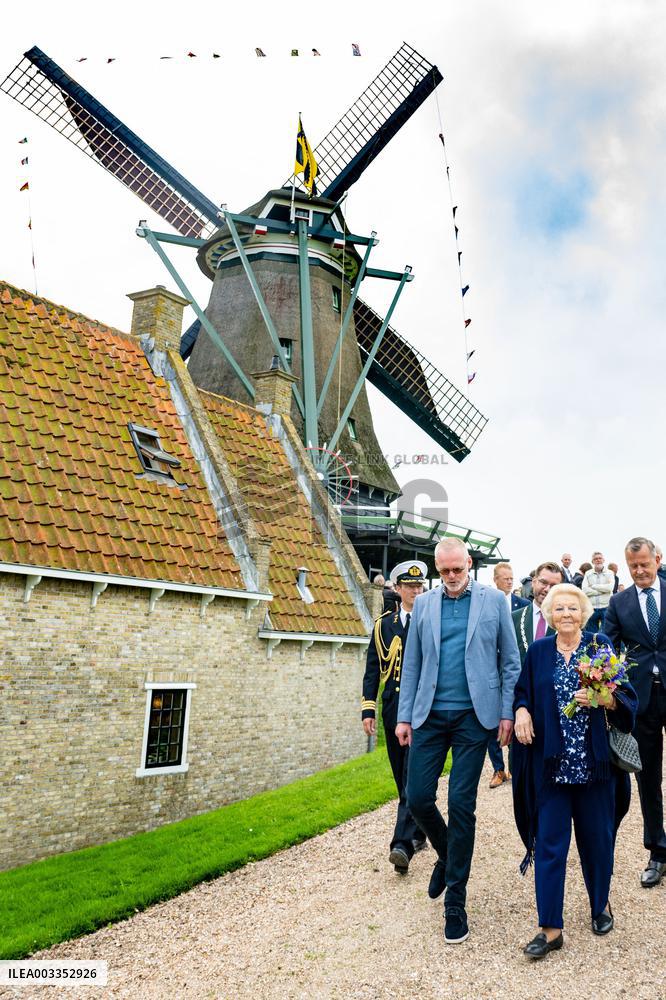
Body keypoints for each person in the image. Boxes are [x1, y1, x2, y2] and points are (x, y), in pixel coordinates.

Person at [396, 538, 520, 944]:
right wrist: (404, 716)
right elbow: (412, 663)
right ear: (437, 569)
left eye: (458, 569)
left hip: (474, 717)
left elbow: (509, 660)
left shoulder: (494, 602)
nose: (451, 577)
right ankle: (448, 854)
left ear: (470, 564)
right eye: (444, 571)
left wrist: (505, 711)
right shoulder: (425, 605)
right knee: (417, 798)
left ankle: (456, 901)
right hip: (429, 716)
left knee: (461, 806)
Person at [513, 584, 638, 958]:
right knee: (549, 845)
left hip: (594, 766)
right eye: (559, 608)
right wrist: (521, 711)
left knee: (596, 841)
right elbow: (522, 693)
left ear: (583, 613)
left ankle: (600, 904)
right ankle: (550, 928)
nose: (566, 614)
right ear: (549, 615)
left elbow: (628, 700)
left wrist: (605, 697)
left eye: (572, 608)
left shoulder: (599, 646)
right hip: (551, 766)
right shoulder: (538, 652)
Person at [605, 537, 666, 888]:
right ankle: (658, 850)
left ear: (657, 559)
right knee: (648, 777)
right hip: (641, 699)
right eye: (633, 566)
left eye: (644, 563)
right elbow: (608, 647)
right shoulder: (618, 602)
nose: (640, 571)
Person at [362, 561, 428, 874]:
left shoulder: (430, 620)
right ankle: (419, 831)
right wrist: (368, 708)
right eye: (410, 586)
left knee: (412, 778)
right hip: (392, 708)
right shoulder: (382, 625)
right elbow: (373, 668)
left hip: (422, 711)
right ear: (398, 589)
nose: (416, 591)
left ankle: (400, 845)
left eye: (420, 586)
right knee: (401, 775)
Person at [488, 563, 528, 786]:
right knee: (492, 720)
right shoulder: (488, 603)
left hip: (514, 669)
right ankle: (498, 769)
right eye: (505, 578)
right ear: (495, 579)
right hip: (493, 669)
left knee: (512, 714)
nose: (510, 582)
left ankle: (515, 767)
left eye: (512, 578)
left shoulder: (523, 605)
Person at [512, 562, 563, 667]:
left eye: (553, 586)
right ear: (534, 582)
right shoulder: (514, 618)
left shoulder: (567, 621)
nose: (547, 589)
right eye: (543, 582)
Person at [582, 553, 614, 632]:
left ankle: (603, 644)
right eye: (596, 559)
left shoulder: (610, 573)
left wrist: (594, 586)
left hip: (606, 607)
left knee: (606, 632)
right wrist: (603, 591)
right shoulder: (588, 573)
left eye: (600, 558)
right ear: (592, 561)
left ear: (603, 560)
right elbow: (585, 590)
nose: (598, 560)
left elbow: (610, 588)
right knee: (591, 633)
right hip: (591, 608)